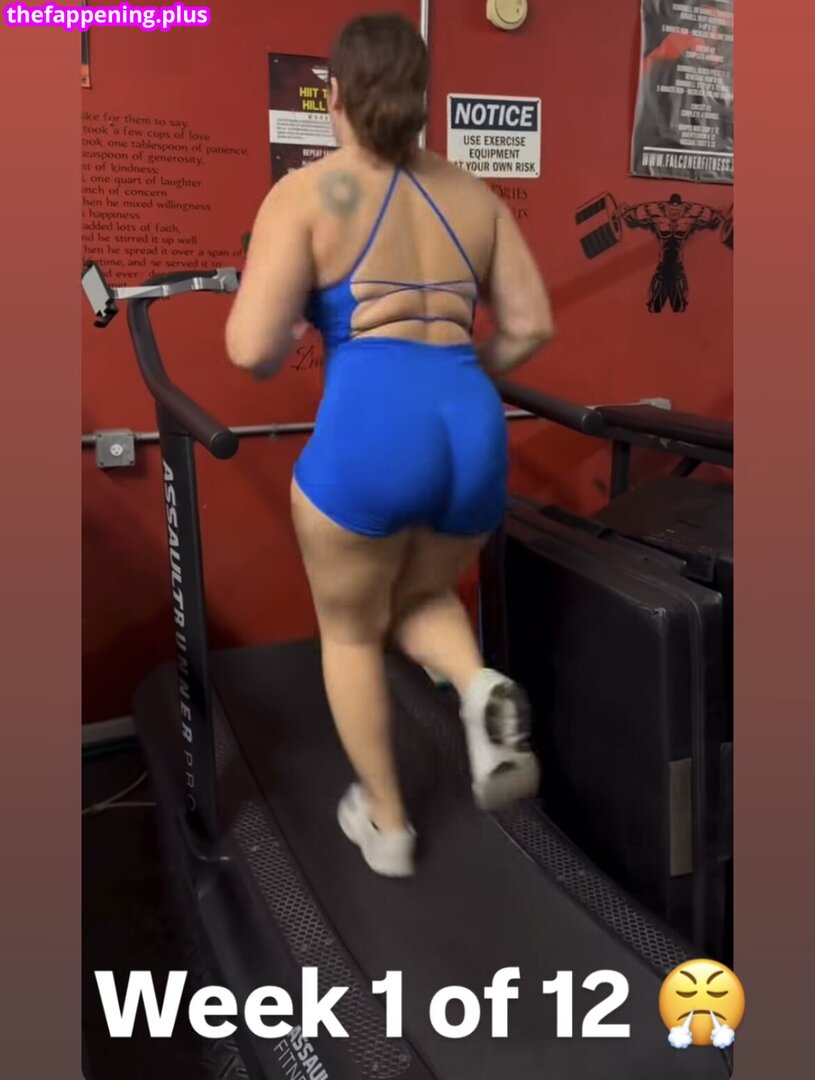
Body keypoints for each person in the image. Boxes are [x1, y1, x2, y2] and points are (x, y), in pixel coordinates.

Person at [225, 13, 554, 878]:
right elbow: (530, 325)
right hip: (470, 428)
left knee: (350, 631)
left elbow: (250, 350)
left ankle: (388, 824)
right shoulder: (473, 195)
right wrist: (457, 375)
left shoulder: (307, 192)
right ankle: (478, 688)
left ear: (332, 94)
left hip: (374, 429)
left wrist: (298, 319)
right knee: (418, 593)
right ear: (421, 99)